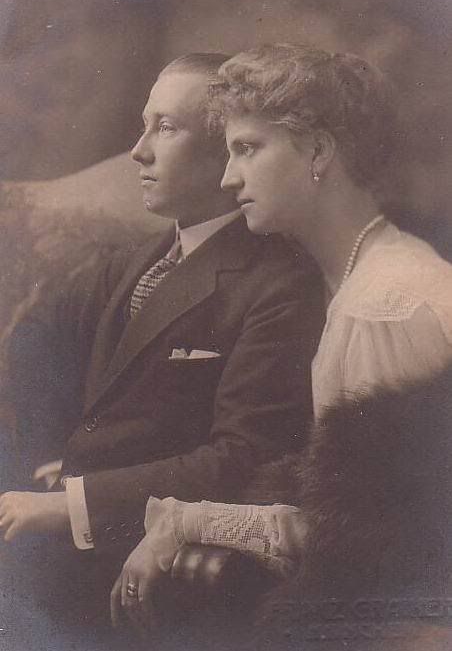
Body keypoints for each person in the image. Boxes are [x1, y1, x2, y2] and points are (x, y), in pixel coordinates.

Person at [111, 43, 452, 642]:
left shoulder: (386, 307)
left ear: (318, 151)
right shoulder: (361, 279)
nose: (227, 177)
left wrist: (184, 524)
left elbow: (379, 556)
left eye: (248, 148)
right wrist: (182, 521)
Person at [0, 52, 323, 642]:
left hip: (144, 564)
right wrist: (53, 464)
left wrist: (72, 503)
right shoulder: (137, 261)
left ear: (227, 152)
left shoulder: (278, 284)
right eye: (143, 125)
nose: (138, 151)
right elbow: (41, 355)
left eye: (166, 128)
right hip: (65, 534)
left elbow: (244, 456)